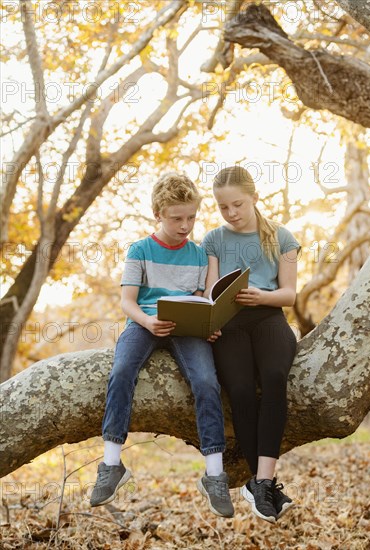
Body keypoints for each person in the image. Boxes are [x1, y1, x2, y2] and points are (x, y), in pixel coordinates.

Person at [90, 173, 234, 518]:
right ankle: (111, 465)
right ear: (158, 214)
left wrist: (208, 324)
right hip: (145, 323)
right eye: (176, 218)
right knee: (122, 371)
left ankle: (214, 473)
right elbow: (128, 301)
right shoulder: (140, 249)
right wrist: (148, 322)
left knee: (206, 382)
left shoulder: (199, 256)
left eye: (191, 218)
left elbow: (200, 299)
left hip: (185, 328)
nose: (185, 225)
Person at [202, 165, 299, 524]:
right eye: (223, 207)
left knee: (274, 377)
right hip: (229, 325)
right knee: (241, 389)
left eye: (238, 205)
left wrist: (262, 296)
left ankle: (261, 481)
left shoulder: (282, 237)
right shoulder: (212, 240)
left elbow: (289, 294)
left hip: (268, 315)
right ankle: (265, 486)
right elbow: (211, 293)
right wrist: (208, 322)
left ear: (255, 198)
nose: (231, 214)